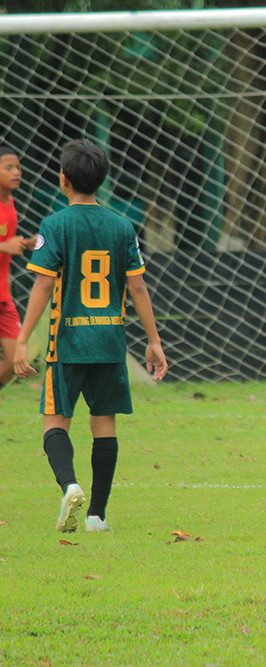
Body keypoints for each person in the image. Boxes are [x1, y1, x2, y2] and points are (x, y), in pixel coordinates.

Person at [13, 139, 167, 533]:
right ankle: (97, 516)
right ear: (102, 180)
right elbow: (138, 289)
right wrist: (154, 341)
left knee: (55, 422)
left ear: (63, 180)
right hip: (111, 342)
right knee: (105, 425)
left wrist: (22, 339)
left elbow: (44, 287)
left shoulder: (55, 225)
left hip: (68, 342)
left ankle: (70, 485)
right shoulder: (121, 226)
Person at [0, 145, 36, 391]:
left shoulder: (10, 203)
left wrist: (25, 244)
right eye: (8, 167)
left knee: (16, 361)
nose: (17, 172)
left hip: (3, 295)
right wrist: (4, 246)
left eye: (19, 168)